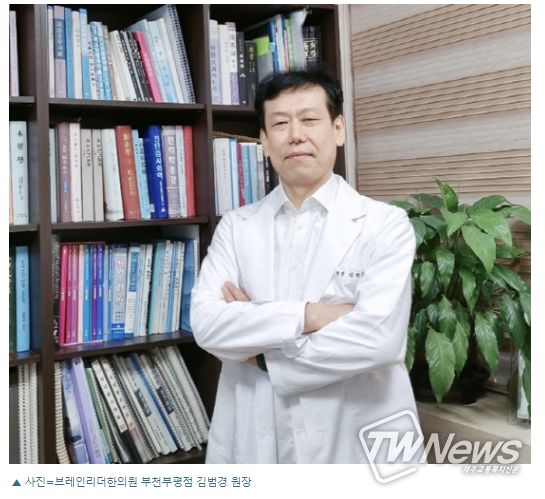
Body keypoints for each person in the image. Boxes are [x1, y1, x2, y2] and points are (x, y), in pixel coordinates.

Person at [190, 70, 423, 464]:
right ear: (264, 141)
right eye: (280, 123)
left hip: (357, 437)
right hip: (260, 431)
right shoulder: (236, 226)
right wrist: (314, 315)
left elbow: (379, 341)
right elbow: (208, 326)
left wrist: (261, 352)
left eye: (310, 119)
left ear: (338, 129)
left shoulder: (385, 224)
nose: (295, 135)